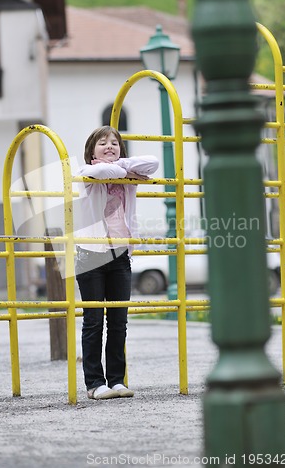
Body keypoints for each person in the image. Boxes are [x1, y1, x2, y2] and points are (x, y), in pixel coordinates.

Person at [75, 126, 159, 400]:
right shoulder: (86, 173)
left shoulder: (121, 169)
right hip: (91, 253)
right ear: (91, 151)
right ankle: (95, 384)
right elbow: (100, 172)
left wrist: (121, 166)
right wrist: (127, 173)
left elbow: (153, 163)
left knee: (119, 322)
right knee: (94, 321)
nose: (109, 146)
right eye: (102, 143)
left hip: (120, 254)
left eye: (114, 143)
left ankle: (116, 380)